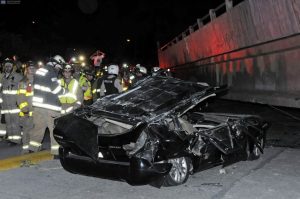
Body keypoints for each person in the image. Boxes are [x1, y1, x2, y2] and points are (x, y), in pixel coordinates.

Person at [29, 55, 66, 155]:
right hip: (50, 107)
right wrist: (65, 91)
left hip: (38, 106)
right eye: (59, 66)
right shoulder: (51, 72)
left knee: (38, 128)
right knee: (54, 130)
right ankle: (56, 152)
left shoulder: (39, 71)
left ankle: (32, 148)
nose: (59, 69)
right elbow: (55, 89)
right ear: (55, 63)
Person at [0, 58, 23, 144]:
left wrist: (20, 102)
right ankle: (11, 138)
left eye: (9, 66)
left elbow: (23, 89)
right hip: (5, 106)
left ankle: (16, 140)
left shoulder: (18, 76)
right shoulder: (3, 78)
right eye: (6, 66)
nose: (7, 68)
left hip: (14, 105)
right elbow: (2, 92)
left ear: (12, 67)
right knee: (9, 123)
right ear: (4, 67)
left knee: (15, 123)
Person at [17, 61, 36, 153]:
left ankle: (33, 149)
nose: (32, 70)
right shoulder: (24, 82)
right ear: (26, 70)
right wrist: (25, 110)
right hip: (27, 112)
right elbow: (20, 98)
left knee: (35, 131)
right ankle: (25, 150)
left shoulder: (38, 81)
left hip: (37, 111)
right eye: (30, 68)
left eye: (33, 68)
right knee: (27, 131)